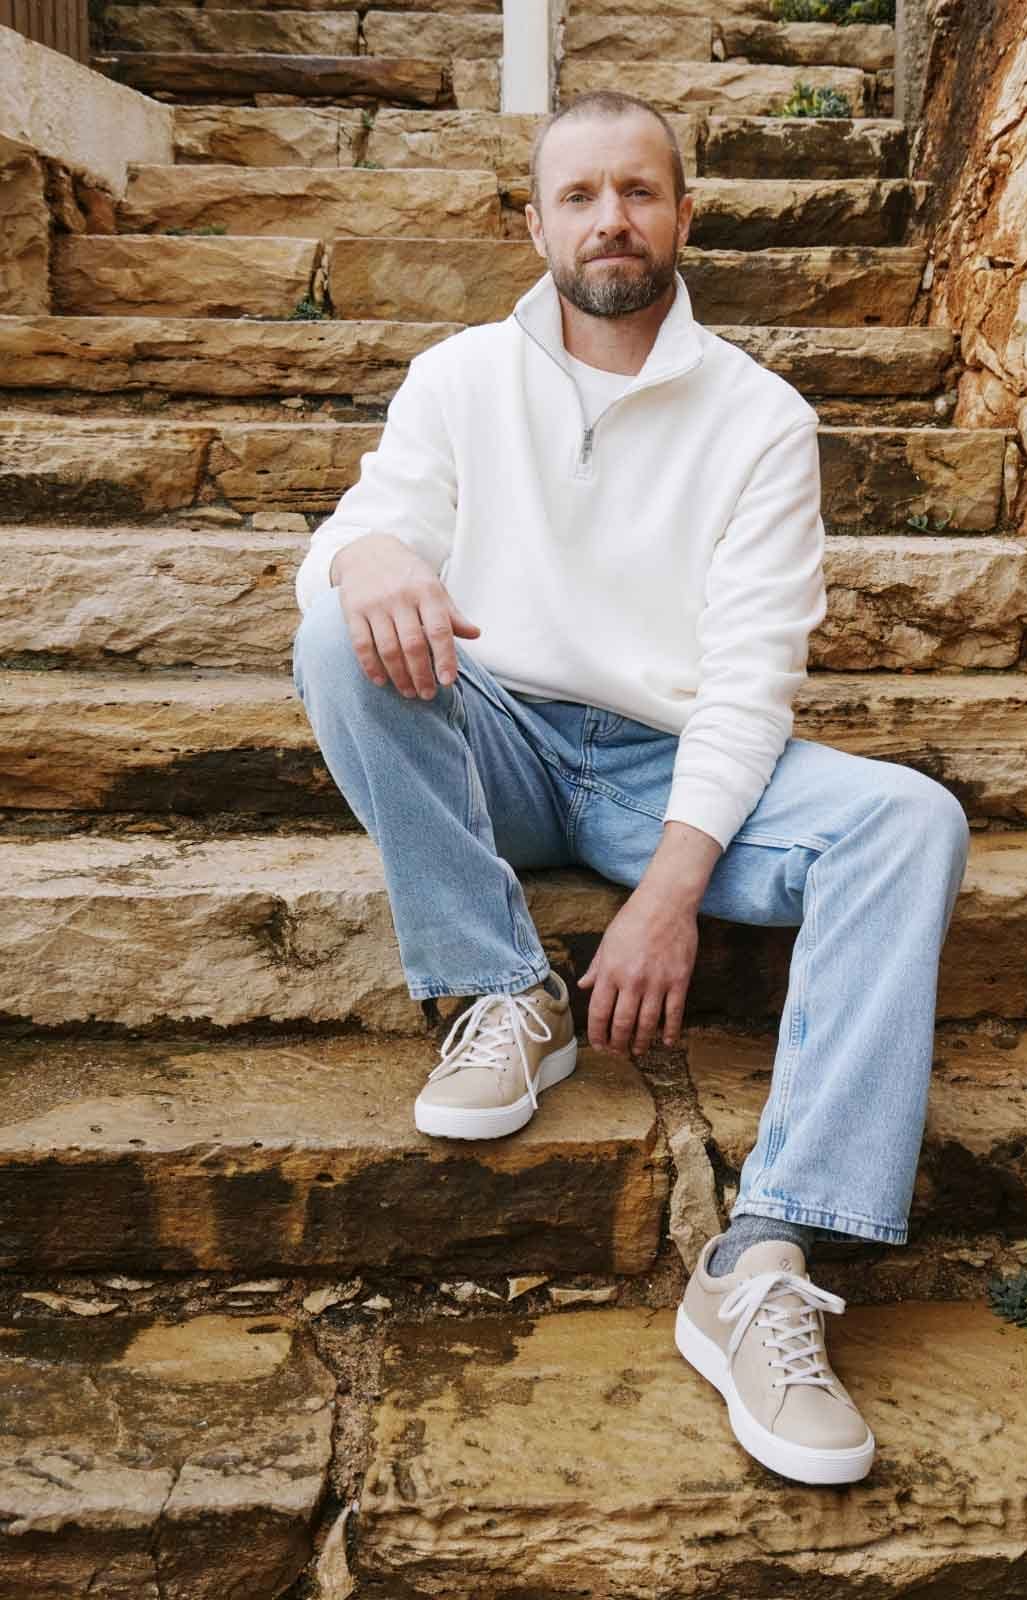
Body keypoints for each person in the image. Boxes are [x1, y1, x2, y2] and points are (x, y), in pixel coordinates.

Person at [291, 88, 970, 1486]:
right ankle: (499, 988)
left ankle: (767, 1249)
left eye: (640, 191)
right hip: (501, 737)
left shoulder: (762, 419)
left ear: (681, 212)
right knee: (334, 623)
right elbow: (378, 519)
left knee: (911, 819)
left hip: (672, 766)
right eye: (582, 194)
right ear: (533, 221)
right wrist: (366, 557)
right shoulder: (461, 378)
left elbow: (750, 674)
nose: (612, 217)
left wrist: (670, 890)